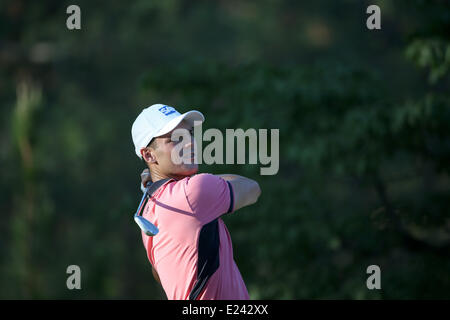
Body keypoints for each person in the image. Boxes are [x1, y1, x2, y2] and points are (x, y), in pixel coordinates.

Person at [131, 104, 261, 300]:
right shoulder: (194, 191)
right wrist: (204, 183)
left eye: (189, 134)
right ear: (149, 155)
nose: (190, 143)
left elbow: (159, 274)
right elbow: (252, 189)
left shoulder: (149, 211)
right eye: (175, 139)